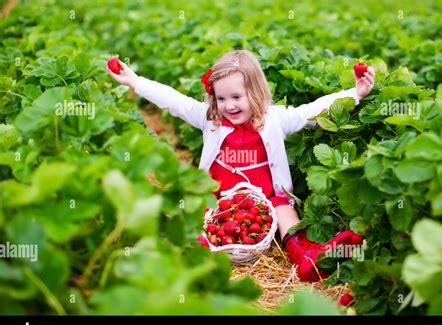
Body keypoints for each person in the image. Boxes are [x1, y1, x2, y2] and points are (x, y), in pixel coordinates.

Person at [107, 49, 375, 282]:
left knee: (285, 211)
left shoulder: (275, 120)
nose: (228, 106)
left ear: (256, 92)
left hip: (265, 200)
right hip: (219, 197)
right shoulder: (210, 119)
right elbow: (174, 101)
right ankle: (196, 251)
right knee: (201, 212)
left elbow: (313, 111)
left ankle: (305, 257)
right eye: (221, 99)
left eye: (236, 97)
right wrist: (135, 82)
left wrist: (355, 93)